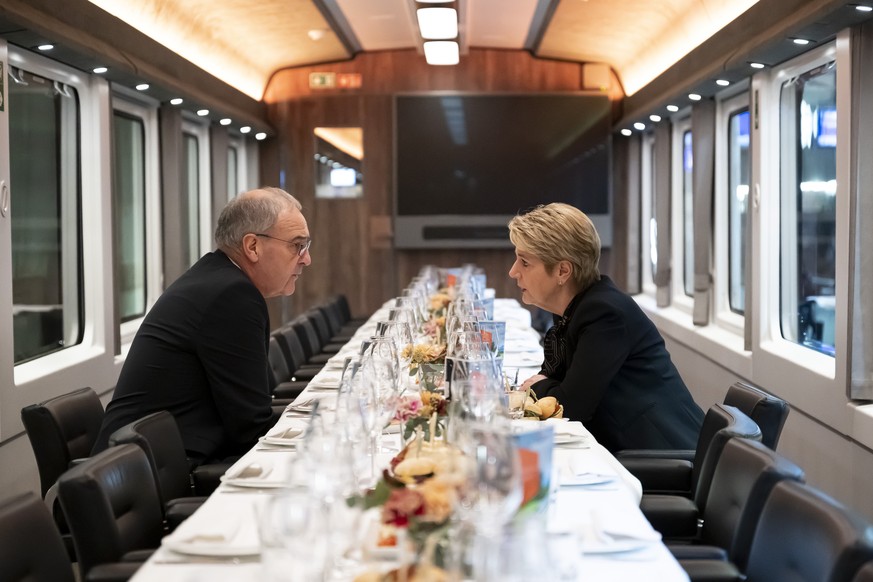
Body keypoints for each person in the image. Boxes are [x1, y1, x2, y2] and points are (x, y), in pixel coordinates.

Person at [92, 187, 312, 463]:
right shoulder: (231, 296)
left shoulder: (220, 280)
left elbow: (252, 414)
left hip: (149, 461)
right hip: (149, 471)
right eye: (297, 245)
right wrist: (321, 431)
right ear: (253, 247)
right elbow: (251, 427)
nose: (306, 259)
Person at [508, 203, 703, 452]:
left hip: (664, 455)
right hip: (627, 448)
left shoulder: (604, 314)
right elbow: (556, 384)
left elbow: (569, 406)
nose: (513, 272)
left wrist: (538, 386)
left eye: (524, 262)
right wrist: (547, 385)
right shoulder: (574, 308)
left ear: (563, 271)